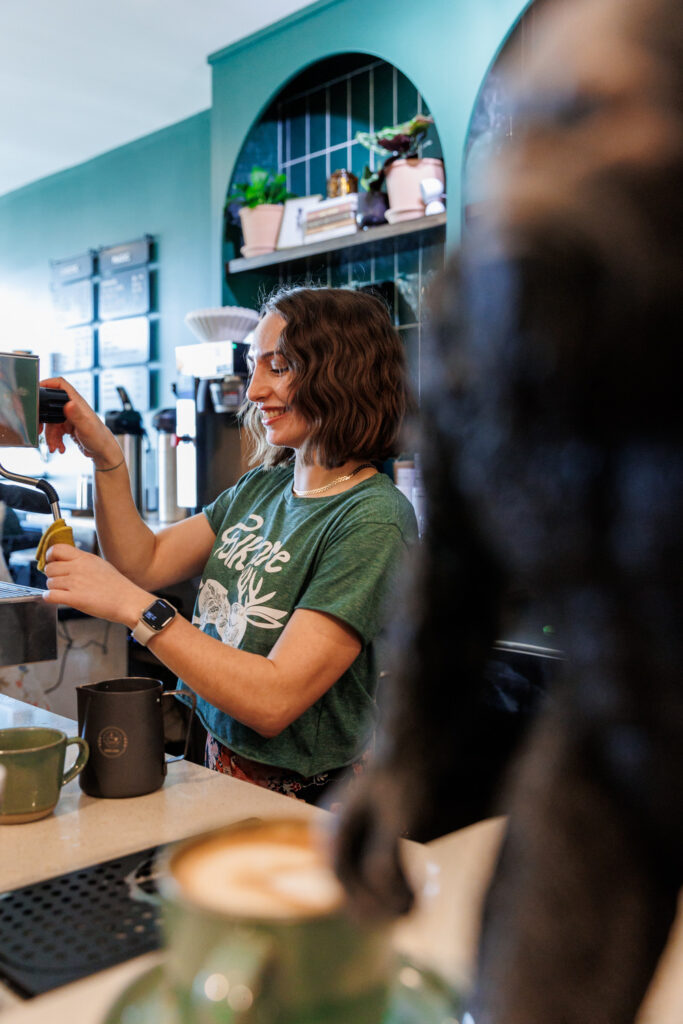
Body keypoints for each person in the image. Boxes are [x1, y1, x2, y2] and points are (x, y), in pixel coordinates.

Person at [334, 0, 683, 1020]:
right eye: (519, 127)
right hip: (615, 721)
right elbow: (452, 588)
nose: (535, 169)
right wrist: (395, 767)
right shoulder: (474, 328)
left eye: (582, 112)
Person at [41, 286, 417, 801]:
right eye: (253, 366)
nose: (254, 390)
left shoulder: (372, 518)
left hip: (311, 796)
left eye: (279, 367)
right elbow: (144, 561)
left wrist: (135, 610)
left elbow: (273, 699)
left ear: (342, 373)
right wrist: (108, 457)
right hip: (219, 763)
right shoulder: (265, 485)